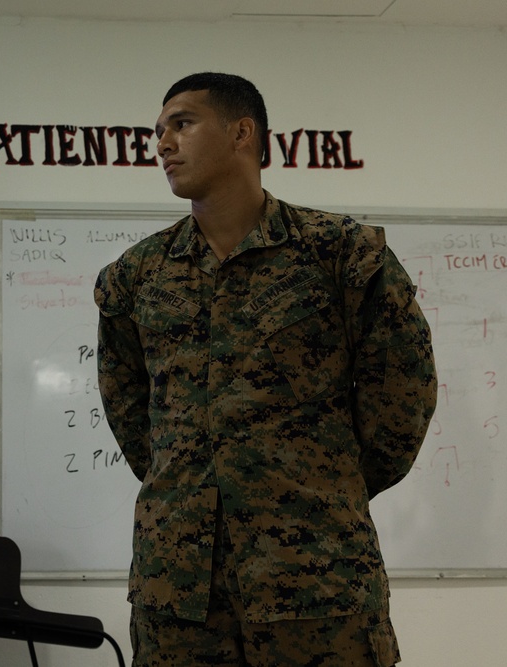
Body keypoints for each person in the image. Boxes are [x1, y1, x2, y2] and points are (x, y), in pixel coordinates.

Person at [94, 72, 436, 667]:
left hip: (318, 584)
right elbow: (127, 403)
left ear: (241, 133)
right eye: (158, 131)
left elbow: (403, 394)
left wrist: (325, 486)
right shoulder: (138, 275)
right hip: (179, 593)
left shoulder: (341, 254)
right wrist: (188, 488)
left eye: (182, 123)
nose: (163, 144)